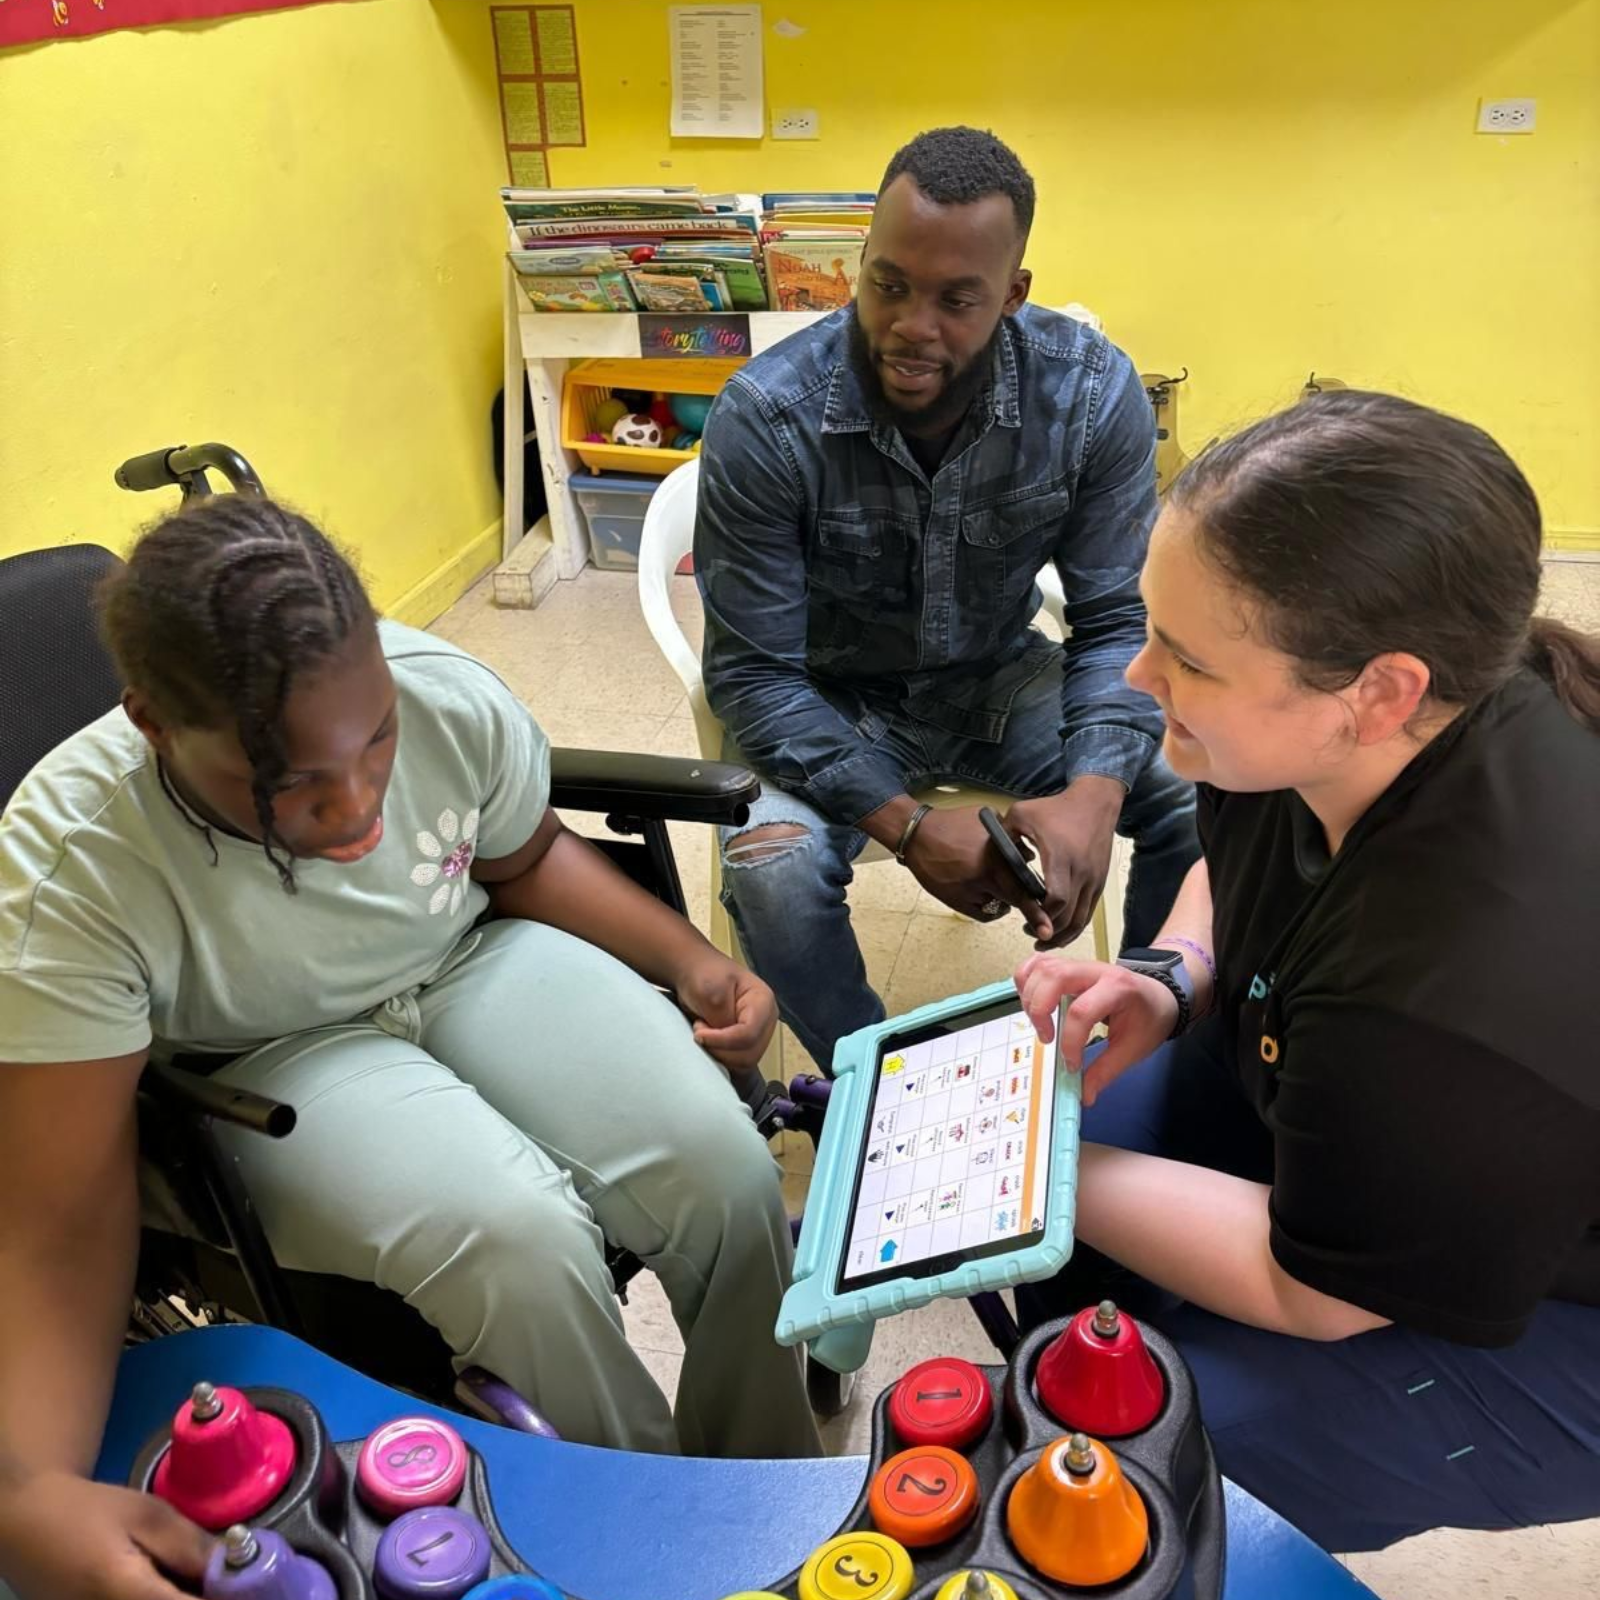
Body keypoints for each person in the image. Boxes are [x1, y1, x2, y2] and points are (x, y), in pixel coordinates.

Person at [0, 496, 821, 1600]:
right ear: (150, 725)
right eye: (288, 783)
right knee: (516, 1243)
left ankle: (772, 1495)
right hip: (272, 1047)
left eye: (375, 738)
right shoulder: (70, 872)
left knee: (721, 1167)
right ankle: (649, 1544)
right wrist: (24, 1486)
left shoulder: (441, 692)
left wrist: (688, 961)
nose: (358, 813)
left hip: (465, 952)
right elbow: (57, 1216)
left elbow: (525, 857)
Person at [1011, 390, 1600, 1551]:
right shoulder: (1338, 719)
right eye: (1149, 629)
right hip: (1367, 1093)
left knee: (1159, 1461)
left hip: (1547, 1306)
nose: (1137, 677)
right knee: (1080, 1259)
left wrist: (1025, 1172)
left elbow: (1316, 1291)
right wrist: (1175, 974)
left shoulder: (1469, 984)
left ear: (1378, 691)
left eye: (1184, 660)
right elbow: (1233, 863)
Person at [696, 125, 1198, 1071]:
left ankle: (1137, 1047)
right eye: (888, 284)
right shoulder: (766, 416)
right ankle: (880, 1088)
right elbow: (754, 677)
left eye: (956, 300)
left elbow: (1120, 622)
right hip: (825, 700)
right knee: (771, 872)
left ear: (1012, 295)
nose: (911, 326)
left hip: (1001, 679)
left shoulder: (1092, 396)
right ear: (860, 263)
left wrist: (1094, 791)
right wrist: (911, 828)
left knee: (1197, 791)